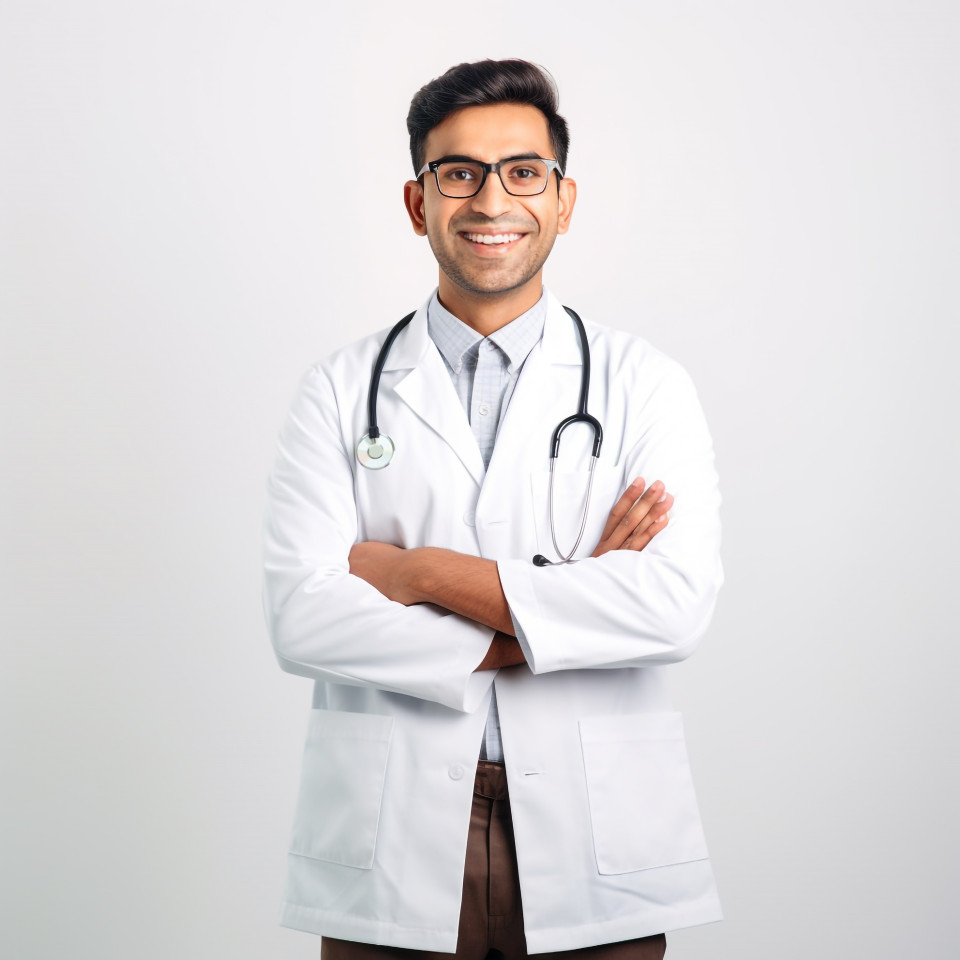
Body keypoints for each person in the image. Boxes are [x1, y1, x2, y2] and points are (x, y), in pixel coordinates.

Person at [262, 59, 723, 960]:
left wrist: (418, 573)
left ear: (563, 199)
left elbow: (674, 607)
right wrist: (572, 603)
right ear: (418, 202)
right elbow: (302, 618)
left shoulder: (644, 385)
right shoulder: (339, 390)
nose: (491, 200)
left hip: (596, 834)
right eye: (459, 173)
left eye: (522, 171)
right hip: (394, 834)